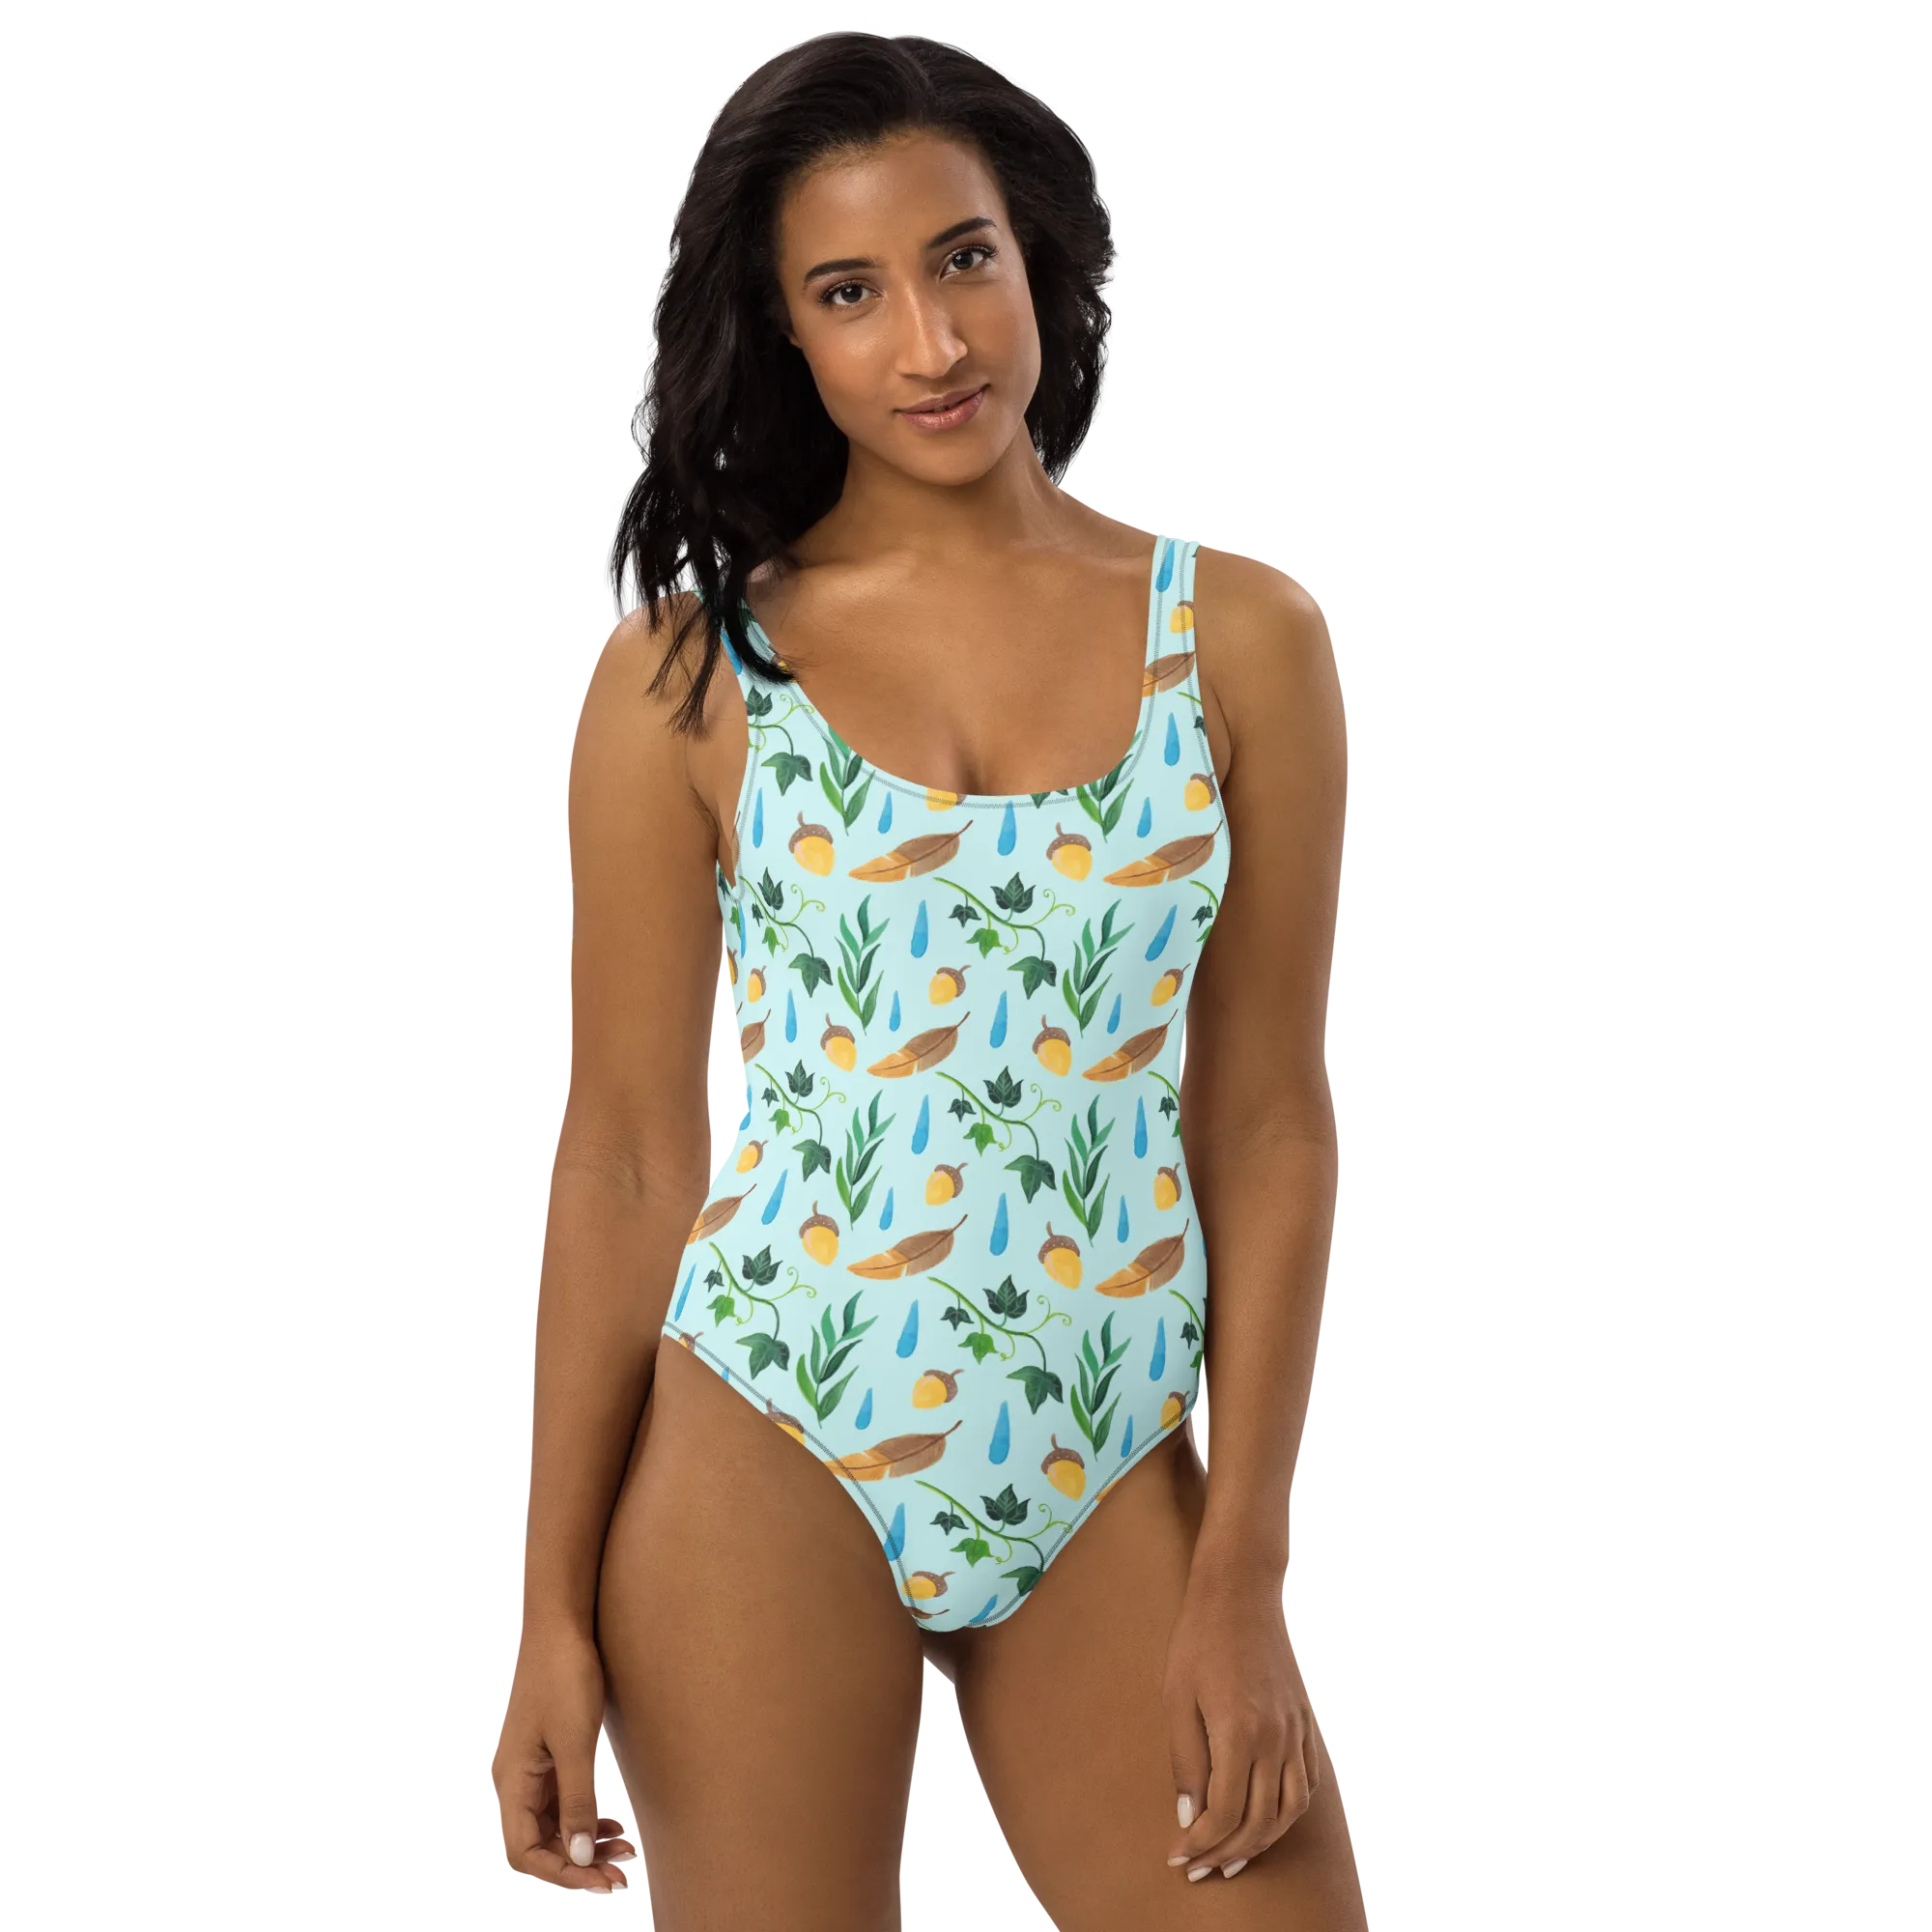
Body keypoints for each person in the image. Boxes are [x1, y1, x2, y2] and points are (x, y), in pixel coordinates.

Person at [492, 28, 1358, 1926]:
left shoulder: (1236, 638)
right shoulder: (682, 675)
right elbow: (626, 1156)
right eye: (850, 291)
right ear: (783, 333)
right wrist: (546, 1616)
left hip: (1101, 1444)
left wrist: (1240, 1569)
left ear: (1035, 248)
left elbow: (1267, 1124)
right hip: (765, 1429)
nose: (934, 340)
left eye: (963, 257)